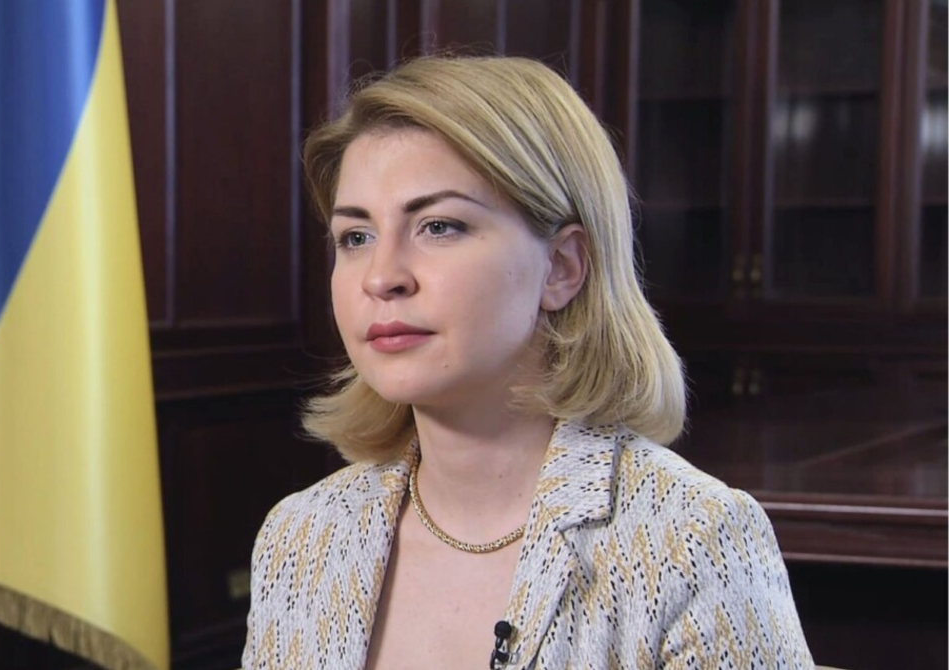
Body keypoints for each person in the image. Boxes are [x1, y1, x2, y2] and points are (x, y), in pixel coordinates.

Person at [242, 55, 813, 670]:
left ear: (562, 267)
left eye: (439, 226)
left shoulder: (691, 540)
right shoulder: (301, 537)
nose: (381, 278)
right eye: (356, 237)